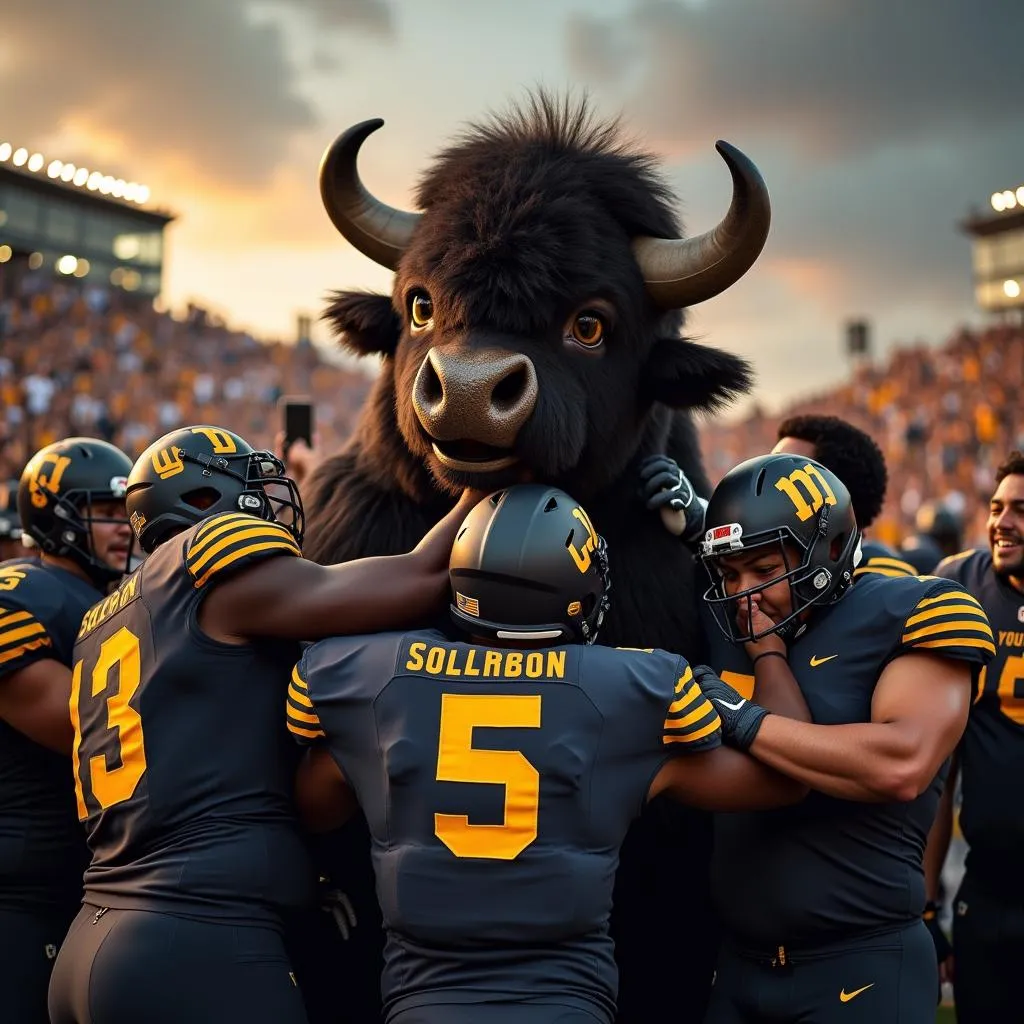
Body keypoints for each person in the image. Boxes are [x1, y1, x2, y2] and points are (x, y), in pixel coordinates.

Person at [287, 483, 808, 1024]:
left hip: (423, 1003)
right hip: (564, 1003)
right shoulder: (628, 688)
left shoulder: (373, 674)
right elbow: (786, 775)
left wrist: (385, 770)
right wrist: (766, 648)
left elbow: (312, 807)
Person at [48, 424, 483, 1024]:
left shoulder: (105, 616)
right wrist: (489, 476)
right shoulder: (203, 564)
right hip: (198, 942)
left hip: (94, 938)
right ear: (203, 504)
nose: (274, 508)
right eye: (254, 491)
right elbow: (419, 578)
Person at [691, 453, 994, 1024]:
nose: (743, 594)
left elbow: (900, 763)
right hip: (736, 966)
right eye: (729, 575)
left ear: (828, 551)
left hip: (861, 964)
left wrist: (743, 719)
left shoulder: (915, 607)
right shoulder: (727, 625)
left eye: (762, 570)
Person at [0, 437, 134, 1024]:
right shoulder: (20, 595)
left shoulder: (101, 598)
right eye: (105, 512)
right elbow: (90, 733)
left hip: (81, 885)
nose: (124, 527)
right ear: (56, 516)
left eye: (125, 512)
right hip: (20, 891)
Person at [923, 450, 1024, 1023]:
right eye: (996, 506)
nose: (1002, 521)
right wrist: (926, 904)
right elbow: (941, 771)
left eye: (1021, 510)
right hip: (987, 888)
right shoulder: (959, 586)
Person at [640, 414, 917, 580]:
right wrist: (703, 530)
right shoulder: (764, 576)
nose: (766, 478)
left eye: (786, 472)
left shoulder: (877, 575)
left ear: (833, 493)